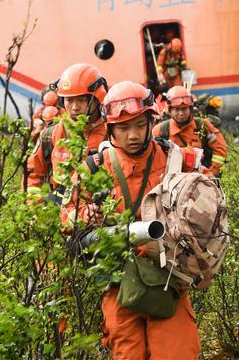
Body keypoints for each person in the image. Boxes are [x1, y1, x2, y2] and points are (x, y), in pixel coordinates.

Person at [64, 81, 201, 360]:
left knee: (177, 353)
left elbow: (210, 204)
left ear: (151, 121)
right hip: (119, 282)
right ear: (110, 129)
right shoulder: (94, 167)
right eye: (124, 128)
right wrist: (85, 215)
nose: (133, 135)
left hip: (167, 277)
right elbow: (66, 214)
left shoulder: (175, 158)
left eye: (139, 125)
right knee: (128, 354)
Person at [26, 63, 108, 199]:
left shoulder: (112, 135)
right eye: (69, 100)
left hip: (98, 215)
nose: (75, 107)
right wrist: (37, 212)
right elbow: (34, 175)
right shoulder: (50, 135)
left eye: (82, 100)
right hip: (57, 213)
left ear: (98, 98)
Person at [153, 85, 227, 178]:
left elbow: (220, 149)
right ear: (169, 110)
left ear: (190, 108)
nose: (181, 113)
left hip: (201, 181)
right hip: (171, 184)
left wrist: (212, 173)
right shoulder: (160, 131)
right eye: (176, 109)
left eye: (184, 108)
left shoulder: (202, 125)